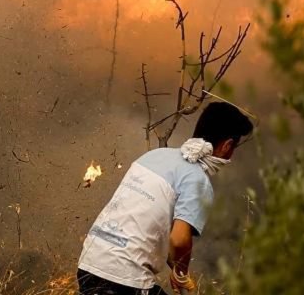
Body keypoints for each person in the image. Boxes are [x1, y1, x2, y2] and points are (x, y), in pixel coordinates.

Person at [77, 102, 254, 295]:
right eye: (233, 147)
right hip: (124, 279)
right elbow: (179, 240)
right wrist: (181, 273)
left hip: (89, 264)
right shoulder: (197, 180)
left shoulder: (154, 156)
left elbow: (153, 230)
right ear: (227, 145)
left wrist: (176, 265)